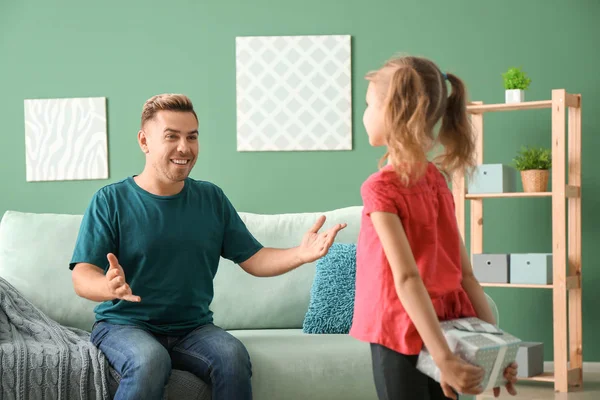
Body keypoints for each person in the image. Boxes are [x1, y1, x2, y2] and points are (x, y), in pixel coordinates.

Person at [69, 93, 347, 400]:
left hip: (192, 328)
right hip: (124, 325)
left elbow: (254, 259)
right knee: (149, 360)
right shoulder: (111, 200)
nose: (184, 148)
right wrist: (109, 287)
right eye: (171, 137)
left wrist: (300, 254)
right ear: (145, 141)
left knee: (232, 357)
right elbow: (83, 275)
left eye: (192, 137)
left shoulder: (211, 199)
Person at [349, 55, 519, 400]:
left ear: (394, 112)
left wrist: (442, 358)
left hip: (398, 328)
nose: (364, 114)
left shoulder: (381, 187)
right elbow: (466, 275)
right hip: (448, 324)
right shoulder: (436, 180)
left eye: (369, 105)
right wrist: (496, 348)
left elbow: (407, 279)